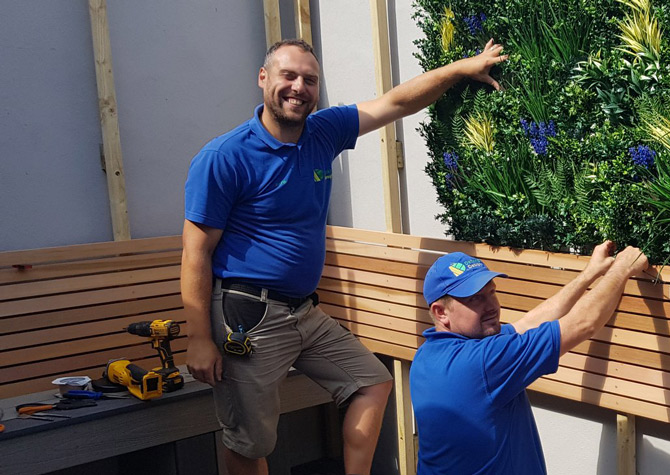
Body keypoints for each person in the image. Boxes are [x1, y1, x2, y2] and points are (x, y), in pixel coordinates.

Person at [181, 38, 508, 475]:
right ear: (263, 79)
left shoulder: (324, 131)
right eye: (288, 76)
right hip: (248, 317)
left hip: (304, 313)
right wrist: (198, 337)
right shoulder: (226, 157)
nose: (299, 87)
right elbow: (196, 252)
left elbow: (396, 103)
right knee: (251, 441)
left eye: (309, 80)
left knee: (372, 381)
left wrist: (461, 69)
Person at [410, 242, 650, 474]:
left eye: (492, 292)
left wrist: (590, 274)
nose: (492, 306)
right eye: (475, 299)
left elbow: (528, 323)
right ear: (440, 312)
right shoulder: (483, 362)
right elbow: (583, 324)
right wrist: (622, 268)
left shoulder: (427, 355)